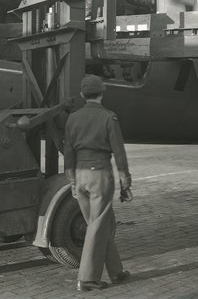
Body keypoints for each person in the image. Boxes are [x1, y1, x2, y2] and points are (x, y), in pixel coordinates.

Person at [64, 75, 132, 292]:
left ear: (83, 95)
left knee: (97, 225)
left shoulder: (72, 118)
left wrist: (73, 182)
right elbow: (119, 153)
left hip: (80, 175)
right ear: (102, 94)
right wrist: (125, 182)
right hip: (100, 175)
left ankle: (117, 272)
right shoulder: (108, 117)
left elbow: (68, 154)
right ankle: (87, 279)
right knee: (97, 226)